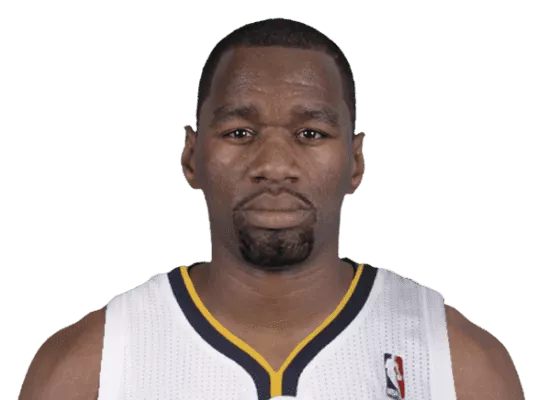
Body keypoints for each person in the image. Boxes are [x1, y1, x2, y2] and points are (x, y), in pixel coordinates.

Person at [18, 17, 525, 400]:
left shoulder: (458, 366)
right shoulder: (88, 370)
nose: (275, 165)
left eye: (311, 133)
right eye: (240, 132)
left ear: (355, 162)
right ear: (191, 157)